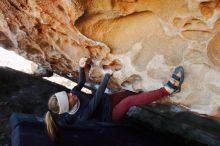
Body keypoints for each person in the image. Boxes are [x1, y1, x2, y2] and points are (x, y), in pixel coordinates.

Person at [45, 57, 184, 141]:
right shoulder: (81, 116)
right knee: (129, 101)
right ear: (68, 107)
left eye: (67, 93)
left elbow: (81, 82)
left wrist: (81, 67)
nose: (71, 94)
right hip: (111, 114)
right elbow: (96, 98)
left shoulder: (74, 93)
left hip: (108, 100)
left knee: (130, 93)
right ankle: (167, 90)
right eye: (69, 98)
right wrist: (107, 76)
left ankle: (154, 95)